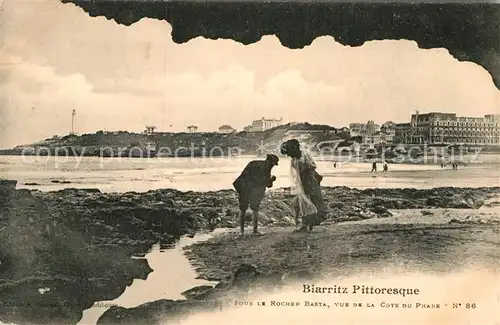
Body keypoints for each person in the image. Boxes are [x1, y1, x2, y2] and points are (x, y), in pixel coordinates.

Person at [280, 139, 327, 232]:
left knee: (310, 201)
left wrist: (308, 182)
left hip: (309, 180)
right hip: (301, 181)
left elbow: (312, 168)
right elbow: (296, 173)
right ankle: (305, 225)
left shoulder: (304, 154)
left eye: (288, 152)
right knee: (302, 203)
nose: (288, 155)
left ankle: (308, 225)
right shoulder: (294, 159)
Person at [233, 154, 279, 236]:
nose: (273, 166)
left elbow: (245, 176)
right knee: (255, 208)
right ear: (271, 162)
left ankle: (241, 232)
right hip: (252, 189)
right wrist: (272, 179)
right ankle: (255, 231)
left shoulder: (253, 162)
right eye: (274, 164)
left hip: (243, 187)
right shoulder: (266, 168)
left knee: (242, 209)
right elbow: (266, 184)